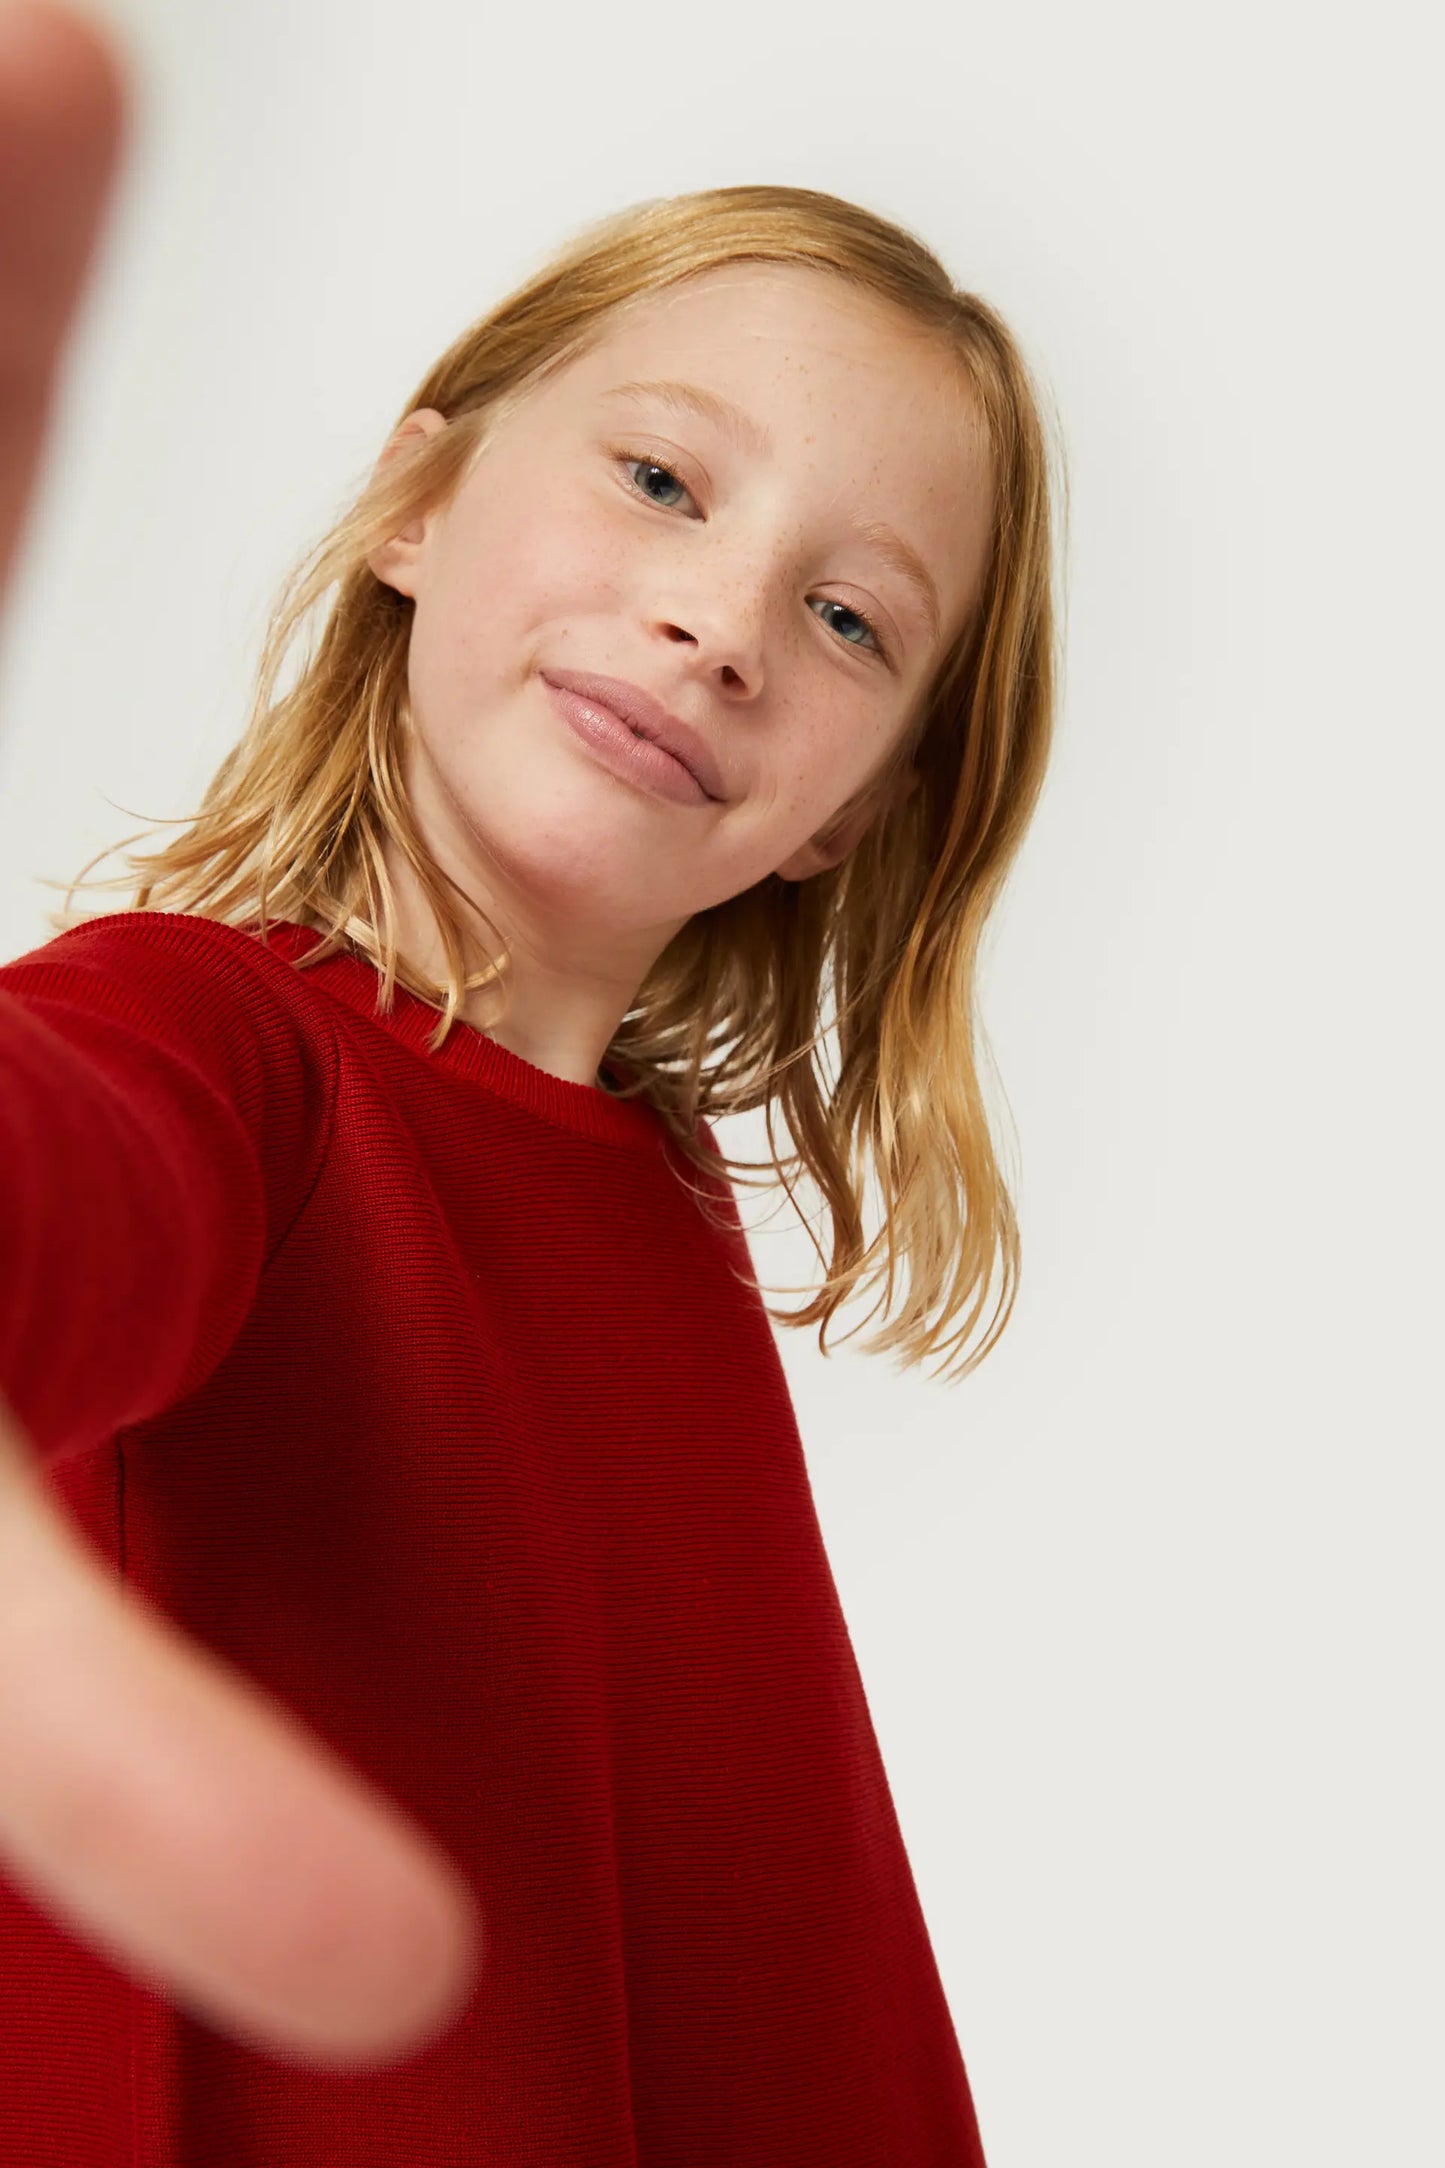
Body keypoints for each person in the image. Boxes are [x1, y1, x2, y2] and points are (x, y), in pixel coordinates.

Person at [0, 2, 1061, 2159]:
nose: (721, 622)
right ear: (416, 496)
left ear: (854, 807)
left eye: (851, 617)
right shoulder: (226, 1051)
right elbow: (72, 1177)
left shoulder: (659, 1232)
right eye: (661, 480)